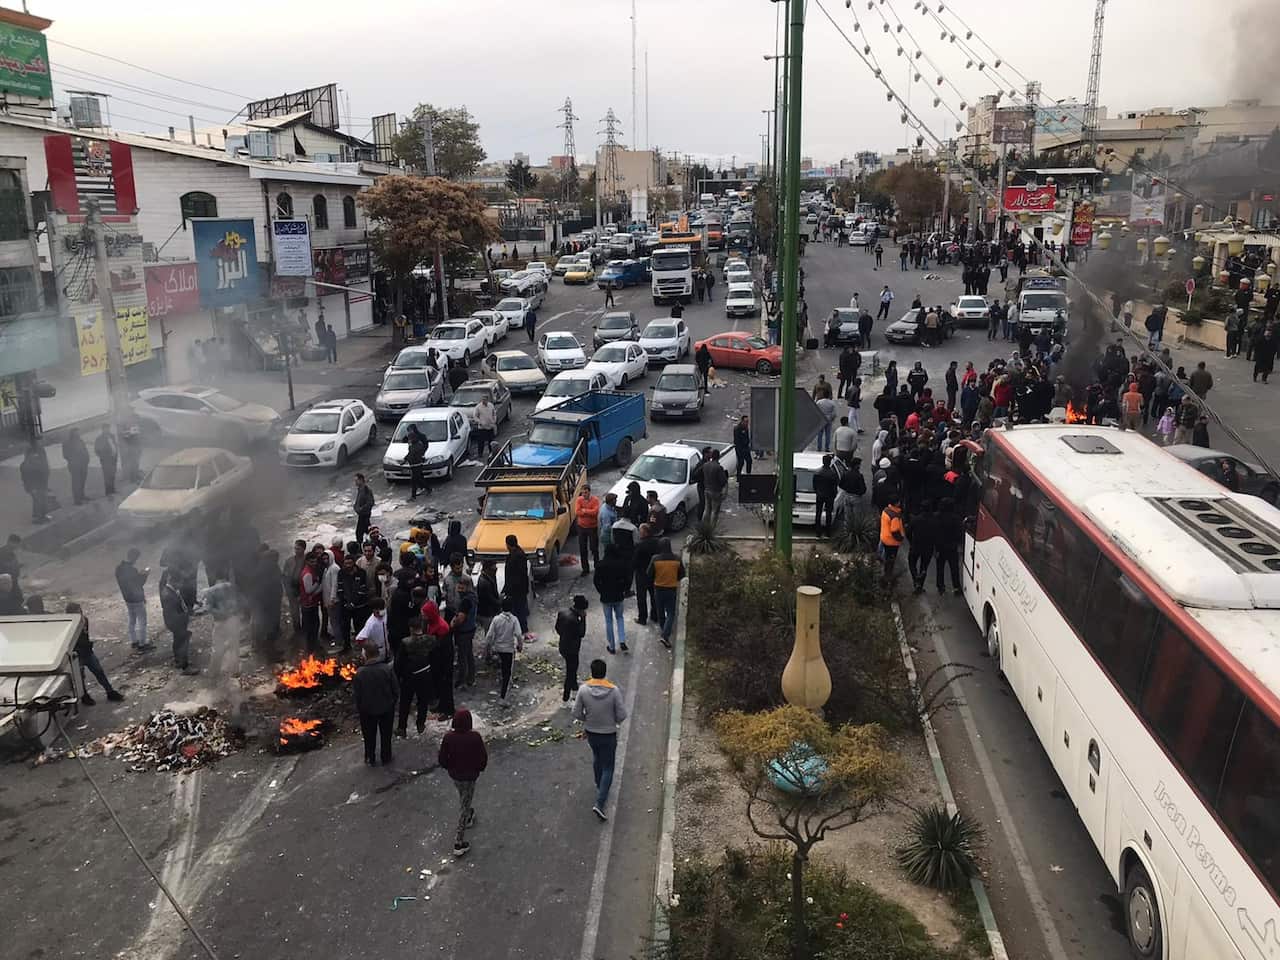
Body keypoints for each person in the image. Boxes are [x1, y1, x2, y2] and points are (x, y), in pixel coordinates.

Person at [574, 659, 629, 821]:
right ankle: (600, 802)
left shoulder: (583, 690)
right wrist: (612, 722)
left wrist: (588, 720)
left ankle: (600, 785)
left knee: (597, 758)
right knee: (609, 767)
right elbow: (622, 715)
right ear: (605, 672)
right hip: (608, 734)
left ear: (592, 672)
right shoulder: (614, 691)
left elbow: (576, 712)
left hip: (591, 733)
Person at [438, 708, 487, 858]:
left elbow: (442, 759)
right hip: (470, 776)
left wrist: (449, 767)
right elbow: (482, 758)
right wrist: (478, 769)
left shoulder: (448, 738)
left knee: (463, 795)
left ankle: (469, 814)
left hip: (455, 775)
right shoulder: (475, 738)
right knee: (464, 804)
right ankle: (458, 842)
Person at [66, 602, 123, 704]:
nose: (79, 613)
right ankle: (84, 696)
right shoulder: (69, 625)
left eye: (79, 611)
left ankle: (109, 691)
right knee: (80, 676)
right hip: (77, 654)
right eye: (76, 612)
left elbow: (85, 636)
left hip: (87, 652)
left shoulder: (84, 620)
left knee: (99, 671)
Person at [354, 644, 398, 767]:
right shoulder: (387, 669)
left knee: (369, 735)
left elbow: (358, 696)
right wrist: (392, 703)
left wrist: (361, 708)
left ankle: (370, 757)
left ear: (366, 655)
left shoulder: (360, 673)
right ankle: (386, 757)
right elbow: (395, 689)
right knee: (386, 734)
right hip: (386, 708)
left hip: (367, 711)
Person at [395, 617, 433, 737]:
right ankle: (420, 724)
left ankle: (402, 728)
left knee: (405, 702)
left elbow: (399, 662)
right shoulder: (429, 639)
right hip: (425, 673)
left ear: (411, 628)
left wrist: (398, 676)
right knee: (423, 700)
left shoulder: (405, 642)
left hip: (409, 676)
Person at [483, 597, 522, 704]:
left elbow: (489, 636)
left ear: (501, 607)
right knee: (507, 673)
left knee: (499, 669)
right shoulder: (514, 620)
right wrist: (520, 646)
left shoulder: (496, 619)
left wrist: (487, 649)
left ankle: (499, 687)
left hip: (497, 648)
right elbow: (518, 634)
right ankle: (503, 698)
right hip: (508, 650)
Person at [593, 543, 630, 654]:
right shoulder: (621, 564)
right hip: (618, 595)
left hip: (606, 597)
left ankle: (612, 646)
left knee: (608, 621)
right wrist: (623, 589)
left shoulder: (600, 565)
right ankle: (622, 640)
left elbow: (596, 581)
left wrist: (601, 591)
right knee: (620, 618)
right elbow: (627, 579)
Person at [648, 539, 684, 649]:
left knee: (660, 612)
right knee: (671, 613)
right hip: (671, 588)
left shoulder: (655, 559)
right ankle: (665, 634)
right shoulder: (677, 559)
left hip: (658, 589)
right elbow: (682, 574)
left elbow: (649, 574)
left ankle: (664, 631)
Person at [158, 563, 193, 671]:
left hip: (175, 622)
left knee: (177, 641)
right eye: (180, 582)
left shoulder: (170, 590)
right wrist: (186, 614)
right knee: (182, 643)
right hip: (176, 622)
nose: (182, 585)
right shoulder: (168, 595)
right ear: (175, 581)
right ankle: (185, 666)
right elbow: (173, 614)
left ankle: (178, 660)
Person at [116, 548, 151, 652]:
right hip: (136, 599)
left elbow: (128, 582)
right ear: (134, 557)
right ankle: (142, 644)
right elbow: (138, 584)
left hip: (127, 599)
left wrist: (138, 575)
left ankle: (134, 641)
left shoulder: (118, 569)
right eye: (136, 558)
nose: (136, 561)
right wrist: (145, 575)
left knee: (132, 620)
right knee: (142, 621)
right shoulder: (132, 570)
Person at [557, 594, 588, 704]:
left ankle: (574, 689)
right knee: (571, 672)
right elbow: (582, 633)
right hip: (572, 650)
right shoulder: (575, 620)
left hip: (563, 645)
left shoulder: (563, 613)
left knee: (572, 669)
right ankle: (566, 699)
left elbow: (557, 628)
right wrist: (583, 619)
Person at [449, 577, 478, 688]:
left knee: (462, 656)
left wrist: (452, 624)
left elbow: (460, 618)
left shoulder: (465, 601)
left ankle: (462, 680)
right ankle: (471, 677)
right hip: (470, 629)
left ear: (467, 587)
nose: (459, 589)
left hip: (464, 631)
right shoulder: (473, 597)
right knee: (469, 654)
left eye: (462, 587)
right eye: (458, 586)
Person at [503, 535, 534, 637]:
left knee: (518, 609)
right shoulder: (518, 553)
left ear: (508, 544)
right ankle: (519, 629)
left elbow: (515, 575)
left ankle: (522, 629)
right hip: (518, 588)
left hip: (516, 589)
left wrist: (509, 589)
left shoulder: (516, 556)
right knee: (519, 609)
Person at [632, 523, 660, 626]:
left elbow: (635, 561)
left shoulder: (640, 545)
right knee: (653, 595)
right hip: (654, 573)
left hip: (641, 574)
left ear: (645, 533)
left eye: (640, 532)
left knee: (641, 597)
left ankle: (642, 618)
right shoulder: (657, 542)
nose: (639, 533)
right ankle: (655, 615)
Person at [19, 440, 50, 524]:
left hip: (41, 484)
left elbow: (44, 471)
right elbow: (26, 478)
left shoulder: (39, 462)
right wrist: (31, 488)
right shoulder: (26, 465)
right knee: (39, 501)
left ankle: (40, 516)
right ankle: (39, 518)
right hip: (34, 486)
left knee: (41, 500)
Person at [576, 483, 601, 575]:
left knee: (594, 548)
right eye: (583, 493)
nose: (584, 495)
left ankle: (597, 567)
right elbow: (577, 512)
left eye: (586, 493)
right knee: (583, 549)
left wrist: (584, 510)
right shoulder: (579, 500)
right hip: (581, 527)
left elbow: (595, 512)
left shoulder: (595, 500)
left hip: (592, 527)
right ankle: (585, 569)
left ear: (589, 492)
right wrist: (588, 511)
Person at [879, 497, 905, 585]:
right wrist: (901, 538)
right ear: (896, 503)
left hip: (884, 538)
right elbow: (895, 531)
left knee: (887, 556)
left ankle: (886, 573)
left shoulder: (885, 511)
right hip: (892, 542)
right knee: (891, 559)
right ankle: (888, 576)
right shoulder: (895, 516)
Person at [62, 428, 91, 506]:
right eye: (76, 432)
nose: (77, 433)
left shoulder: (80, 441)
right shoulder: (67, 443)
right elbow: (65, 455)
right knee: (76, 483)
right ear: (72, 433)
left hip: (83, 465)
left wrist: (87, 459)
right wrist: (74, 459)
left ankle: (82, 495)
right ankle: (77, 500)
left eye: (78, 432)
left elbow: (85, 450)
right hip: (74, 466)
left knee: (82, 481)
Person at [812, 455, 839, 536]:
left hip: (820, 495)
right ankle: (828, 532)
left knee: (818, 513)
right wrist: (834, 495)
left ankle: (818, 532)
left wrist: (817, 492)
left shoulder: (818, 473)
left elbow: (814, 485)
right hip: (829, 496)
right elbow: (835, 486)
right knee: (828, 514)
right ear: (830, 462)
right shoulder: (833, 474)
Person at [701, 449, 729, 527]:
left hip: (707, 490)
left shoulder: (705, 465)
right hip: (716, 492)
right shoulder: (718, 467)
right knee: (714, 511)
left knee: (706, 510)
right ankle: (712, 529)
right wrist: (725, 491)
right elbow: (723, 481)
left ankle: (703, 527)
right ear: (718, 456)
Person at [471, 395, 497, 460]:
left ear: (487, 400)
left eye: (485, 400)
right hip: (482, 428)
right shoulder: (478, 407)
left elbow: (494, 413)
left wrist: (494, 420)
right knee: (481, 442)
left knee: (491, 440)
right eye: (482, 400)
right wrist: (480, 422)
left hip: (490, 426)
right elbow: (475, 416)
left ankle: (491, 453)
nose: (483, 401)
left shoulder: (491, 405)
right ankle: (480, 454)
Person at [94, 426, 118, 497]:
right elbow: (97, 450)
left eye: (108, 428)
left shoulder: (112, 436)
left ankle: (112, 489)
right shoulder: (99, 439)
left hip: (113, 459)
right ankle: (108, 491)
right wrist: (104, 457)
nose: (107, 430)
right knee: (107, 476)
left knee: (113, 475)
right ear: (103, 430)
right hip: (106, 460)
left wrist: (116, 455)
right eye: (105, 429)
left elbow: (115, 446)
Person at [353, 473, 374, 545]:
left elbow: (370, 502)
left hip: (364, 514)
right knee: (367, 529)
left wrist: (360, 509)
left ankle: (360, 547)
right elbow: (359, 500)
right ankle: (375, 539)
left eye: (356, 480)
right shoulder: (360, 489)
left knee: (359, 532)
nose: (355, 482)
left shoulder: (366, 489)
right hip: (362, 514)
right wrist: (355, 506)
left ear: (361, 480)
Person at [733, 416, 752, 480]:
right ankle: (738, 476)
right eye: (746, 421)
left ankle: (748, 475)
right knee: (741, 462)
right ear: (742, 421)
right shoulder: (737, 429)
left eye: (747, 421)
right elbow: (737, 441)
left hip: (745, 448)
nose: (747, 423)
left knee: (749, 461)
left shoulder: (746, 428)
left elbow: (746, 437)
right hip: (740, 448)